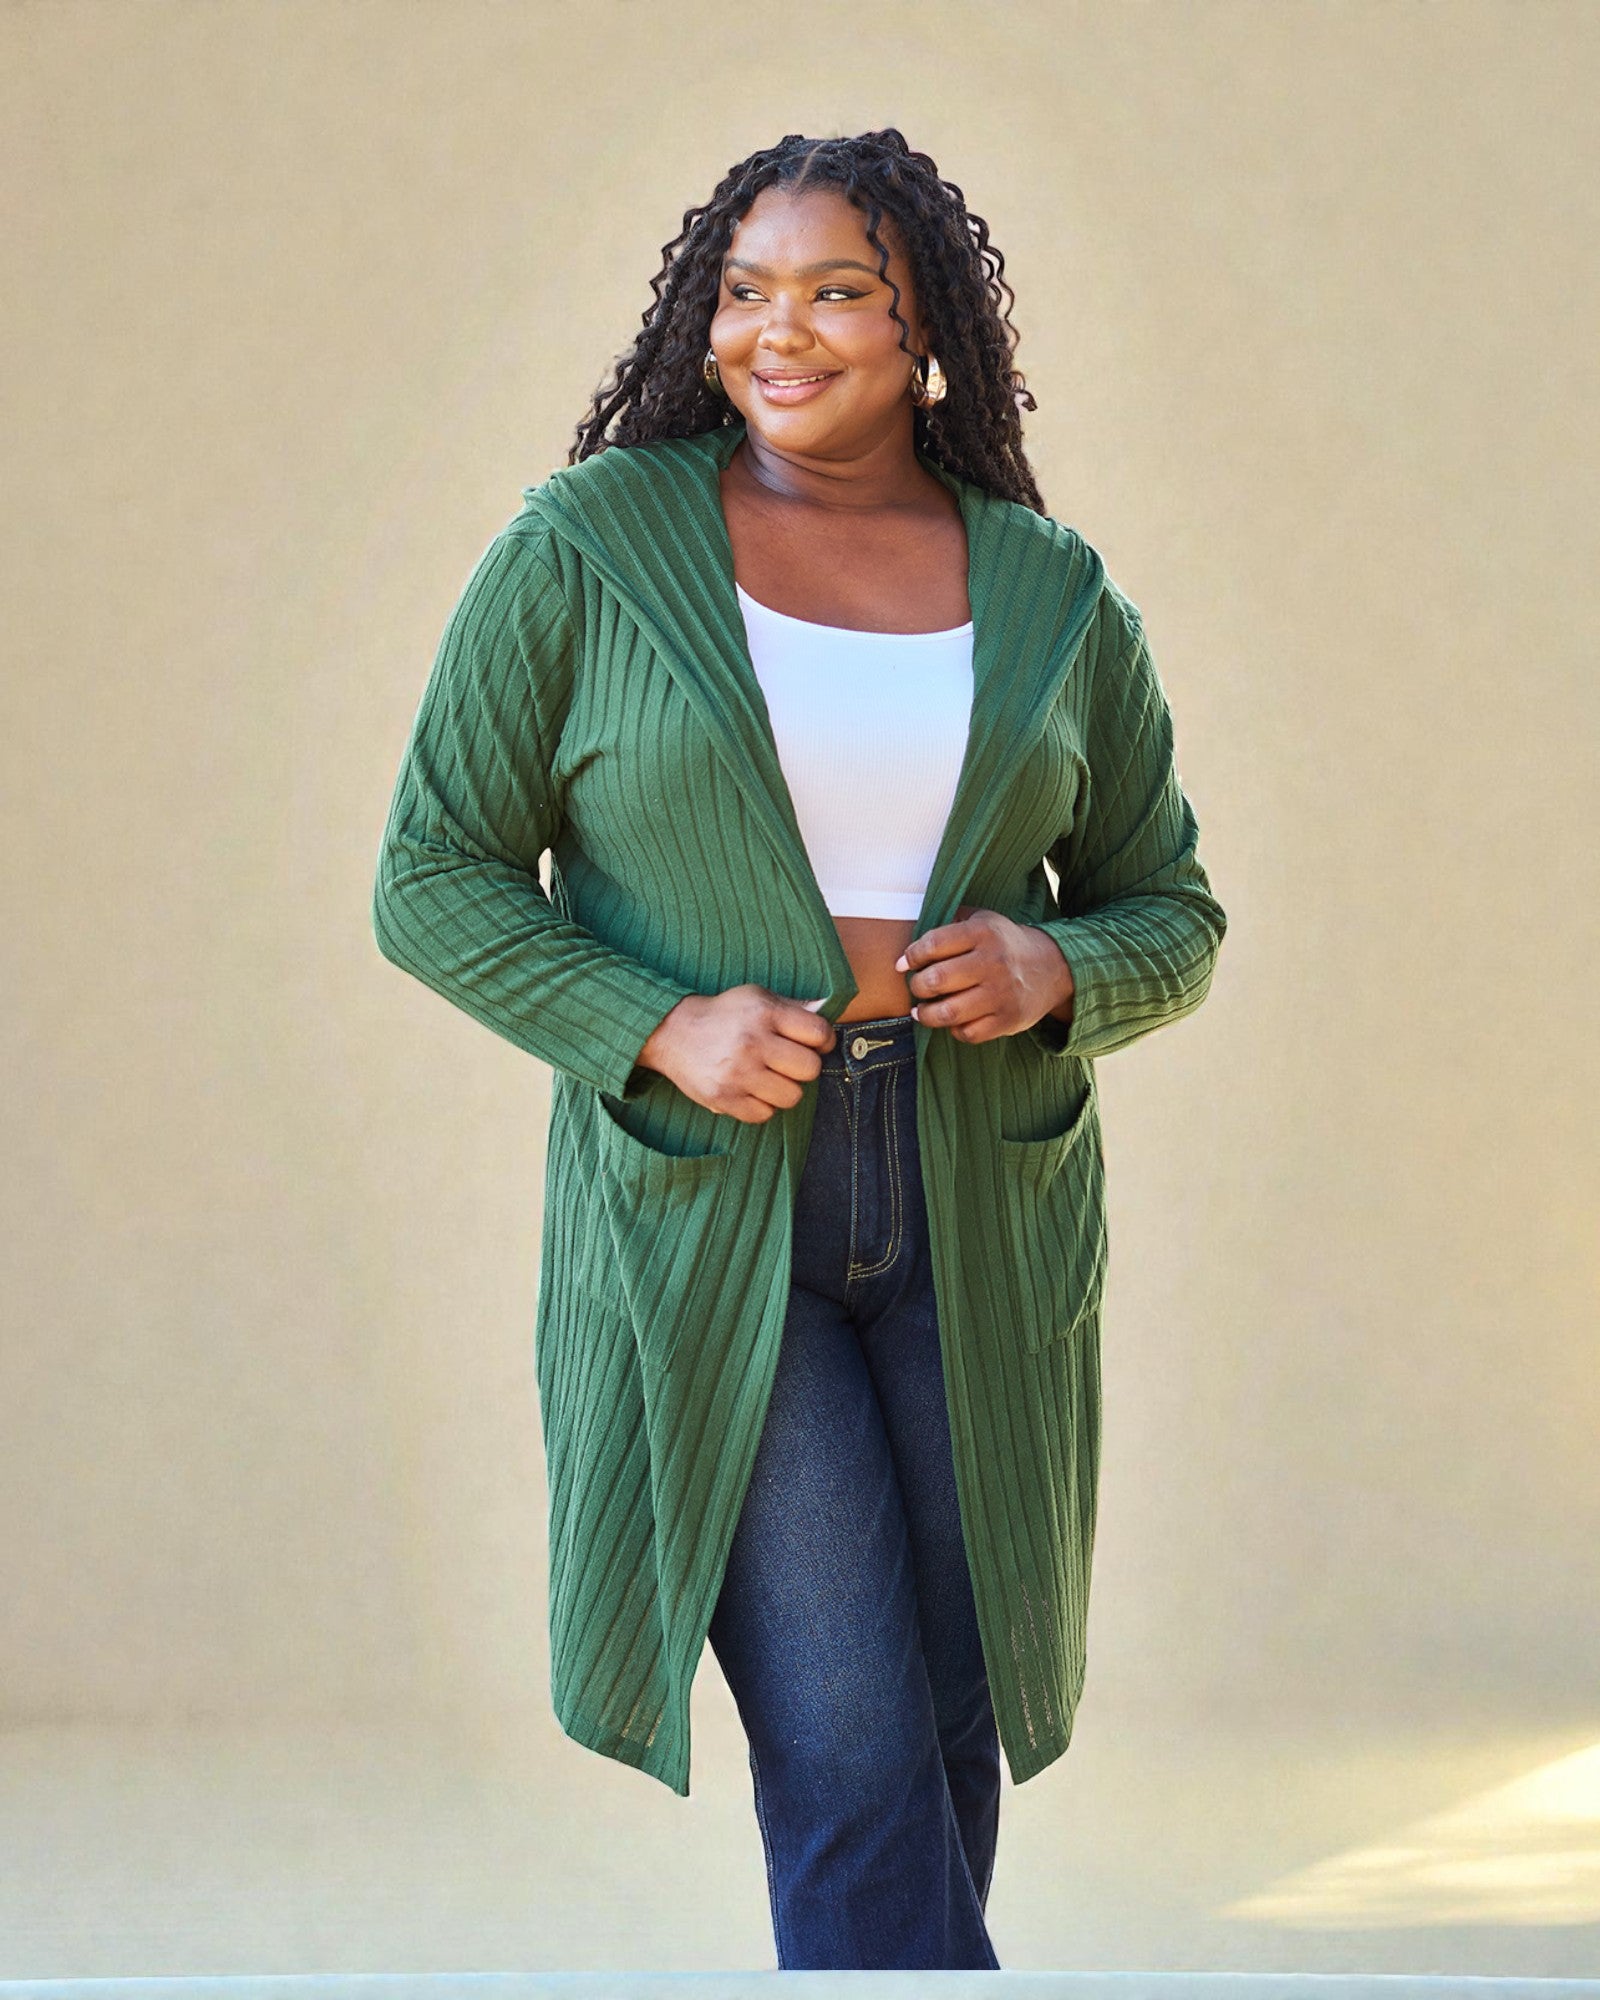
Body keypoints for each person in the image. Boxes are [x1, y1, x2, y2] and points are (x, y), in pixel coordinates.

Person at [372, 127, 1227, 1973]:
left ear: (927, 336)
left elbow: (1173, 909)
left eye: (840, 290)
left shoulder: (1055, 591)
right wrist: (653, 1023)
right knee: (845, 1737)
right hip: (716, 1210)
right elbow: (429, 875)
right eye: (746, 289)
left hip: (980, 1201)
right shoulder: (587, 550)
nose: (782, 329)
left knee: (948, 1719)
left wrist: (1057, 965)